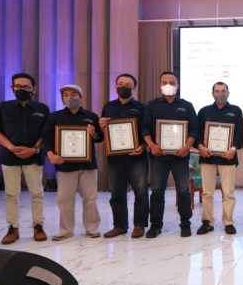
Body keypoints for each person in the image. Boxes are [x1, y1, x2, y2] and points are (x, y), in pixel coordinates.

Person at [0, 73, 50, 244]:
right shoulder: (2, 107)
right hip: (10, 156)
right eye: (18, 86)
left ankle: (38, 226)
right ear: (12, 88)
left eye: (26, 86)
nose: (22, 89)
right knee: (11, 194)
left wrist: (34, 149)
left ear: (33, 89)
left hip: (34, 156)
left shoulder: (42, 108)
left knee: (37, 193)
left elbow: (45, 132)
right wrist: (11, 147)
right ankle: (12, 228)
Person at [43, 84, 103, 241]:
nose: (70, 97)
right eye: (66, 95)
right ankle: (65, 230)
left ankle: (92, 228)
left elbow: (100, 138)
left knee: (90, 198)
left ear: (81, 97)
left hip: (88, 165)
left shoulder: (91, 116)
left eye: (74, 94)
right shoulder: (55, 117)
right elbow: (46, 138)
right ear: (62, 98)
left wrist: (94, 133)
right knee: (64, 199)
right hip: (65, 165)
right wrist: (50, 154)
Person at [142, 71, 198, 238]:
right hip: (158, 156)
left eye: (172, 82)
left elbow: (194, 129)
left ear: (178, 85)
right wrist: (151, 145)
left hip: (180, 156)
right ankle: (156, 225)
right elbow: (145, 128)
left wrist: (187, 146)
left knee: (183, 191)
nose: (168, 85)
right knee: (157, 191)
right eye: (164, 82)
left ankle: (185, 224)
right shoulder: (152, 105)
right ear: (160, 85)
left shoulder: (187, 106)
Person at [100, 73, 149, 239]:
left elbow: (147, 131)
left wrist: (143, 146)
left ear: (133, 88)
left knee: (141, 193)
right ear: (115, 86)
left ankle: (139, 225)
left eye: (128, 85)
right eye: (120, 83)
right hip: (115, 159)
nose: (123, 87)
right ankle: (119, 226)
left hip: (137, 157)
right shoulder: (108, 107)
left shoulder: (142, 108)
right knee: (117, 193)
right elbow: (103, 133)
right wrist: (101, 125)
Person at [196, 82, 243, 235]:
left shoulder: (236, 110)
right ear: (212, 93)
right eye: (217, 91)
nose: (220, 94)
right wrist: (200, 146)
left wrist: (233, 149)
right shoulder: (204, 111)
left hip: (228, 157)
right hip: (207, 158)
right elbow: (197, 132)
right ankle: (207, 222)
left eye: (223, 91)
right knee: (207, 193)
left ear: (228, 93)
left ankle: (228, 222)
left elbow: (240, 133)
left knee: (228, 193)